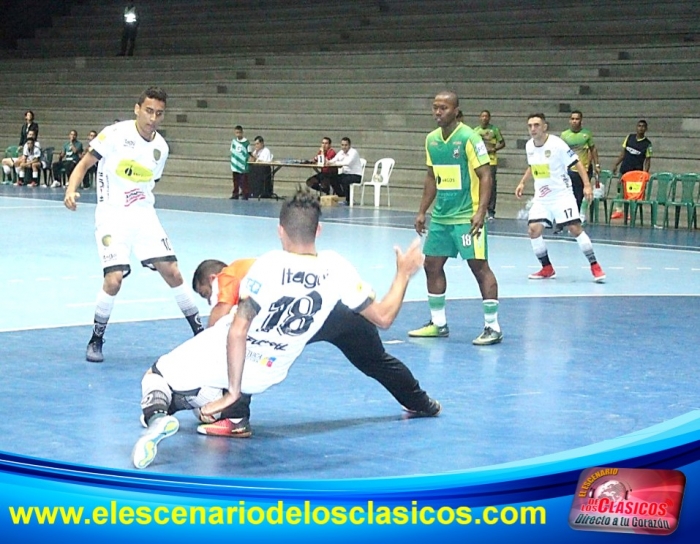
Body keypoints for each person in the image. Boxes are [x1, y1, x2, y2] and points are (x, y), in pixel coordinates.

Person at [131, 189, 439, 469]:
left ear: (280, 231)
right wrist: (402, 274)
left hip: (241, 364)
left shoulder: (267, 265)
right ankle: (420, 401)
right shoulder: (338, 268)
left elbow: (236, 331)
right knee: (374, 359)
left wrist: (233, 392)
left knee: (157, 376)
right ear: (319, 229)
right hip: (274, 368)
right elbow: (384, 317)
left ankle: (177, 415)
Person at [63, 87, 204, 363]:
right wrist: (70, 189)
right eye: (149, 111)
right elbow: (85, 163)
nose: (153, 117)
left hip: (143, 215)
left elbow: (151, 182)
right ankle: (96, 338)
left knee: (173, 272)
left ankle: (200, 332)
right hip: (112, 216)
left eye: (159, 113)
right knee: (113, 280)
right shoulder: (115, 134)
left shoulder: (160, 148)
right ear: (137, 108)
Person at [408, 91, 503, 346]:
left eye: (444, 108)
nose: (438, 112)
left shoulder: (469, 138)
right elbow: (432, 176)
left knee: (479, 267)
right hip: (441, 216)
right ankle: (438, 324)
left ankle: (492, 327)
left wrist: (481, 210)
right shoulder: (431, 140)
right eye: (435, 108)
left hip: (466, 215)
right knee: (432, 265)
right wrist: (422, 210)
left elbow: (486, 175)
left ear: (456, 111)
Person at [515, 113, 606, 283]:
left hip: (561, 195)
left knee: (574, 229)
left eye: (536, 125)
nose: (533, 129)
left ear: (544, 127)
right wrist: (522, 182)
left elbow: (577, 163)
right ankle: (547, 268)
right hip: (542, 197)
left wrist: (587, 185)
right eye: (530, 126)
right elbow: (532, 166)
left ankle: (595, 265)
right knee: (533, 230)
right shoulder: (529, 146)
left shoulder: (557, 144)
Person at [560, 110, 600, 227]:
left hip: (585, 169)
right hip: (570, 169)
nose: (574, 121)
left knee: (580, 195)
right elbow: (560, 152)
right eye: (572, 119)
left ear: (581, 120)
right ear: (569, 120)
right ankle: (567, 218)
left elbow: (593, 149)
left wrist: (597, 165)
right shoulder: (564, 135)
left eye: (577, 119)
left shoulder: (586, 134)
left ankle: (576, 217)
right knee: (569, 194)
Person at [474, 110, 506, 220]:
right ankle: (478, 209)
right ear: (480, 118)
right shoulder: (475, 131)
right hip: (479, 161)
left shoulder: (494, 130)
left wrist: (494, 149)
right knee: (478, 184)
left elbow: (502, 143)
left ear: (489, 118)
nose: (484, 118)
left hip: (491, 161)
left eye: (486, 116)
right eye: (482, 116)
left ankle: (491, 212)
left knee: (491, 186)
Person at [326, 136, 363, 205]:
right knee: (332, 178)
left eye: (346, 145)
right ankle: (342, 195)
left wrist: (335, 163)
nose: (344, 147)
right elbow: (334, 160)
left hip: (356, 175)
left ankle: (349, 199)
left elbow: (347, 162)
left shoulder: (353, 152)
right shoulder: (341, 152)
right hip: (346, 174)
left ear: (349, 145)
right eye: (342, 145)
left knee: (345, 180)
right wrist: (328, 162)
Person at [229, 125, 251, 200]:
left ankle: (245, 194)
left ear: (242, 133)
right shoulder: (234, 142)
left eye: (239, 132)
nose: (238, 134)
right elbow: (232, 151)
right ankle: (235, 194)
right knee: (235, 181)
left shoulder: (246, 142)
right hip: (235, 164)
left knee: (243, 181)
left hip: (243, 165)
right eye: (236, 133)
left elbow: (249, 153)